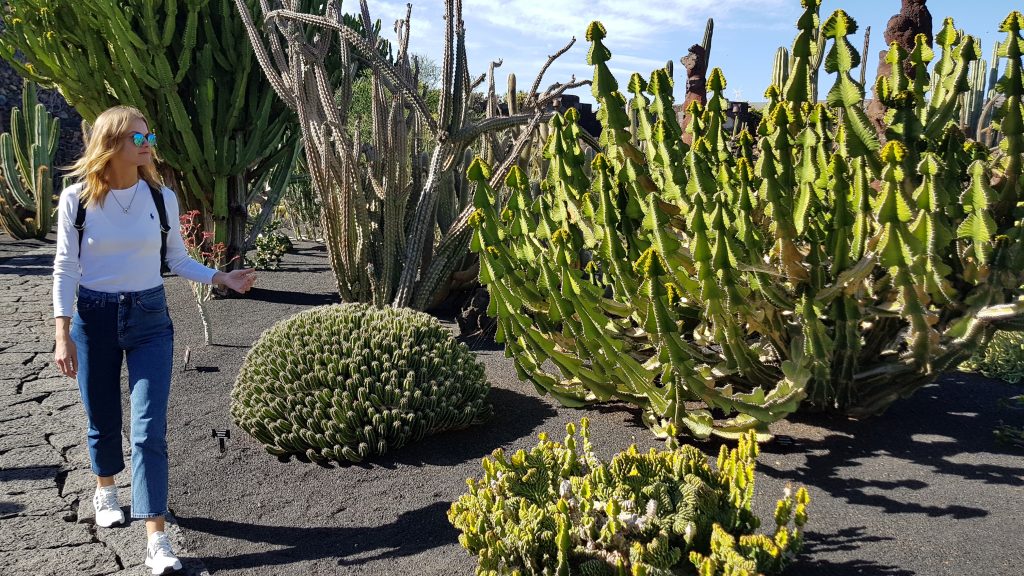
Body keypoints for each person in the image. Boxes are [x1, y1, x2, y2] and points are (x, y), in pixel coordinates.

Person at [52, 106, 256, 575]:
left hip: (150, 319)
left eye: (149, 136)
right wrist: (61, 332)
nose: (147, 145)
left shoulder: (160, 198)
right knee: (101, 415)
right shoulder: (77, 200)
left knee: (148, 430)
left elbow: (176, 260)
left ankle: (156, 539)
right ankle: (106, 487)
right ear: (111, 144)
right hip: (94, 318)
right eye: (136, 138)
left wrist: (220, 276)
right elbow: (65, 267)